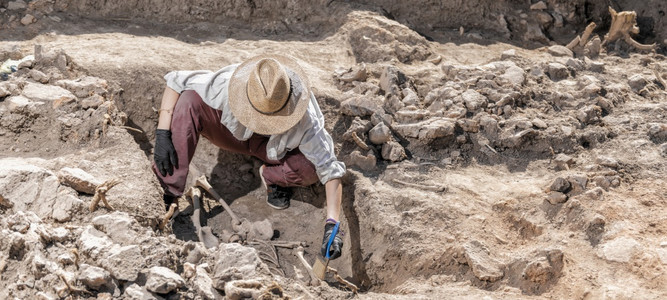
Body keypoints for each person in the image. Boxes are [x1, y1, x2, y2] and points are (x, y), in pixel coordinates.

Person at [152, 54, 345, 260]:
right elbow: (175, 81)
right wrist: (163, 133)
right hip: (230, 135)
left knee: (310, 167)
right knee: (189, 101)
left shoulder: (305, 117)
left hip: (274, 150)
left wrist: (332, 226)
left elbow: (329, 168)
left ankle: (272, 176)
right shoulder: (227, 84)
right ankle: (167, 196)